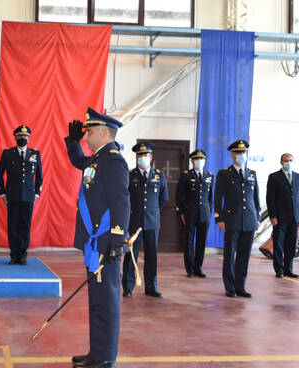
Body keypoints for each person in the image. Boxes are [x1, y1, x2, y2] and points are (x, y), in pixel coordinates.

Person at [65, 107, 129, 368]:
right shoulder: (98, 159)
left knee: (107, 301)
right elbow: (79, 162)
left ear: (104, 133)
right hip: (96, 243)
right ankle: (97, 352)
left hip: (105, 244)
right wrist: (72, 142)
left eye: (89, 133)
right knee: (97, 301)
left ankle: (106, 357)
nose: (86, 137)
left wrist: (116, 241)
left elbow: (121, 203)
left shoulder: (113, 161)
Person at [214, 139, 260, 298]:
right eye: (238, 152)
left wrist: (258, 216)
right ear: (232, 155)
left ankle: (241, 286)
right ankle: (230, 287)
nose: (241, 155)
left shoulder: (251, 174)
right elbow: (217, 197)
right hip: (232, 220)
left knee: (244, 255)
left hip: (249, 220)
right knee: (229, 255)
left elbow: (256, 199)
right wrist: (219, 218)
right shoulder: (224, 174)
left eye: (244, 153)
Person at [122, 142, 168, 298]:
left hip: (152, 222)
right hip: (134, 222)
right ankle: (128, 286)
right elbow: (125, 199)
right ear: (136, 158)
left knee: (152, 255)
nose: (143, 158)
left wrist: (153, 213)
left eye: (145, 155)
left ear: (151, 157)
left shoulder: (159, 176)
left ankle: (151, 287)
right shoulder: (130, 176)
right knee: (131, 255)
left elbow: (164, 198)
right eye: (140, 155)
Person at [0, 125, 43, 265]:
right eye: (20, 136)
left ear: (29, 138)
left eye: (25, 136)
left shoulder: (35, 154)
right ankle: (13, 255)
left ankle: (22, 255)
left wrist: (36, 194)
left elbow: (39, 176)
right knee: (12, 226)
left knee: (25, 226)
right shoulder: (7, 154)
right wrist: (2, 193)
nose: (22, 138)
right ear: (15, 137)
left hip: (28, 197)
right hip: (12, 196)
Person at [266, 153, 299, 278]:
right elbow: (270, 198)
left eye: (290, 160)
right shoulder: (274, 177)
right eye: (285, 160)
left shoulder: (298, 177)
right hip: (280, 217)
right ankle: (279, 270)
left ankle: (289, 269)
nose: (288, 162)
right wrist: (273, 216)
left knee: (291, 245)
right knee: (278, 244)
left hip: (295, 217)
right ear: (281, 162)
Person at [176, 149, 213, 278]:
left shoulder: (209, 176)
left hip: (204, 214)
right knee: (189, 242)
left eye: (202, 159)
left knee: (202, 242)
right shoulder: (186, 176)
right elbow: (179, 196)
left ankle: (199, 268)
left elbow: (210, 198)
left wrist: (209, 211)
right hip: (189, 214)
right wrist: (181, 213)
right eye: (197, 159)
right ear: (192, 161)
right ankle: (190, 269)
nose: (200, 161)